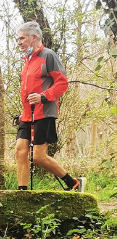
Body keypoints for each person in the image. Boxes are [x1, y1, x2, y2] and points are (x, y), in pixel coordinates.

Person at [14, 21, 79, 191]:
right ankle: (22, 192)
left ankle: (72, 182)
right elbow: (27, 91)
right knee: (20, 151)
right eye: (17, 39)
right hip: (28, 115)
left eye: (22, 38)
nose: (19, 42)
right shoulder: (27, 61)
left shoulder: (48, 56)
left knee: (39, 157)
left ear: (34, 37)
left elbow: (62, 83)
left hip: (44, 113)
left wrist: (44, 97)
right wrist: (22, 114)